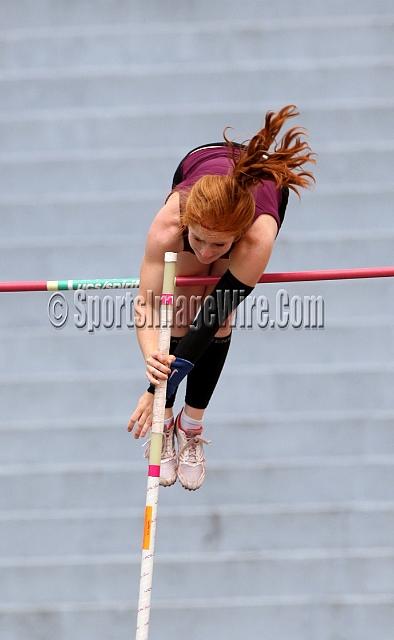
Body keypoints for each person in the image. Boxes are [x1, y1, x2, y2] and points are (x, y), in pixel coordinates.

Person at [127, 105, 315, 491]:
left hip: (259, 190)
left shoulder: (256, 238)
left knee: (216, 314)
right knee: (181, 302)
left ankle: (190, 424)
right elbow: (145, 304)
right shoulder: (168, 226)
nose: (208, 251)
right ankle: (165, 421)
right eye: (198, 239)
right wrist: (154, 369)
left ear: (237, 237)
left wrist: (155, 391)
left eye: (219, 245)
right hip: (201, 163)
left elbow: (212, 317)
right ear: (187, 223)